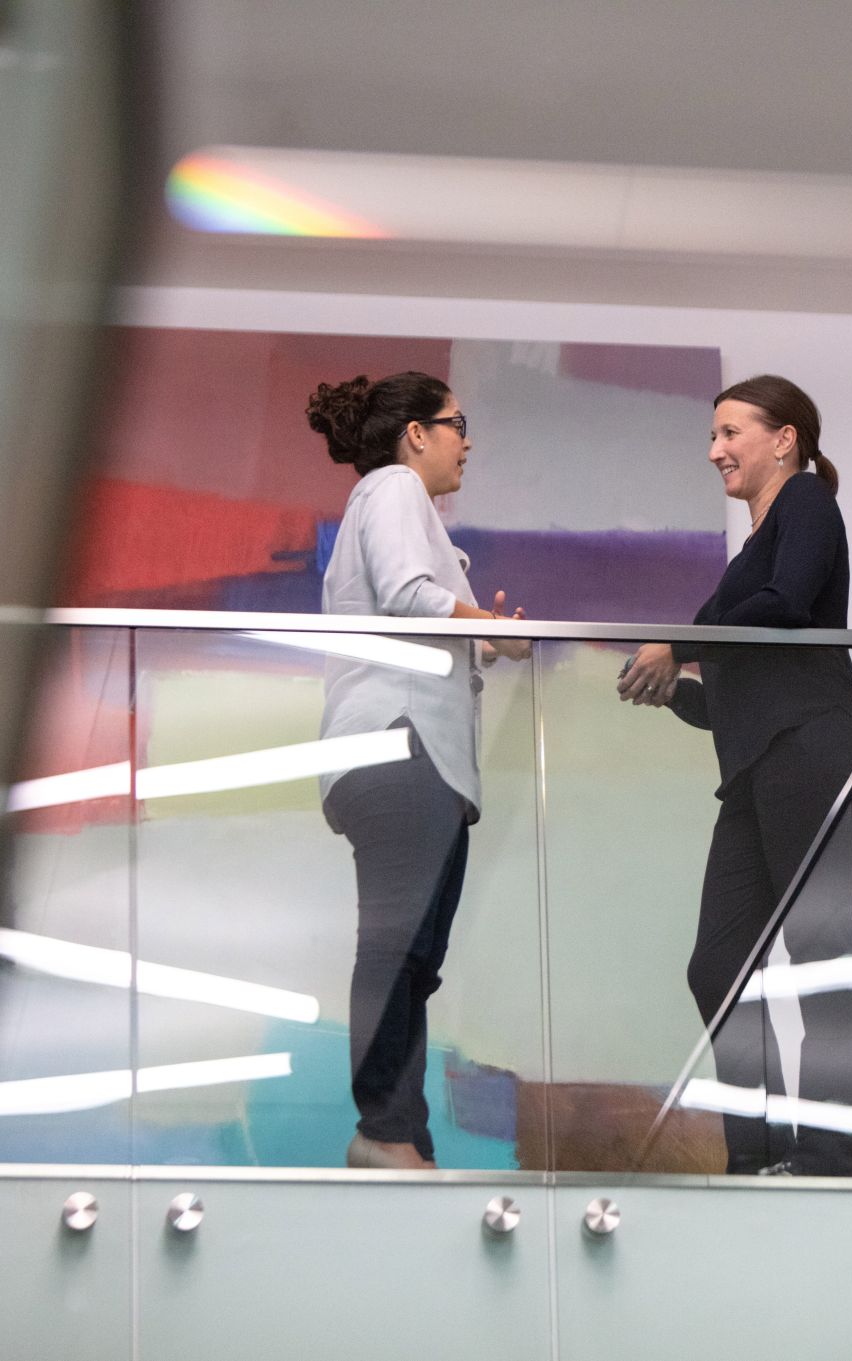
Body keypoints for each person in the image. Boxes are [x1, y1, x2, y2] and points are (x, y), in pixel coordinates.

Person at [618, 375, 852, 1177]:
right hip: (763, 762)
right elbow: (747, 687)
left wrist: (679, 643)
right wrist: (678, 692)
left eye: (732, 432)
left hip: (813, 746)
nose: (716, 450)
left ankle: (832, 1146)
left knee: (817, 942)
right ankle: (759, 1147)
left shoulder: (804, 502)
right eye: (714, 435)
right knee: (719, 963)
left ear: (785, 439)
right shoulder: (755, 543)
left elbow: (787, 603)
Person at [307, 371, 529, 1171]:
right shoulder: (396, 487)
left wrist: (482, 632)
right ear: (415, 435)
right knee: (398, 946)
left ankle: (403, 1127)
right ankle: (383, 1127)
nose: (466, 440)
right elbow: (407, 593)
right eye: (456, 423)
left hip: (408, 752)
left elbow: (417, 605)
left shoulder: (392, 504)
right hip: (400, 747)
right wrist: (493, 626)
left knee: (414, 958)